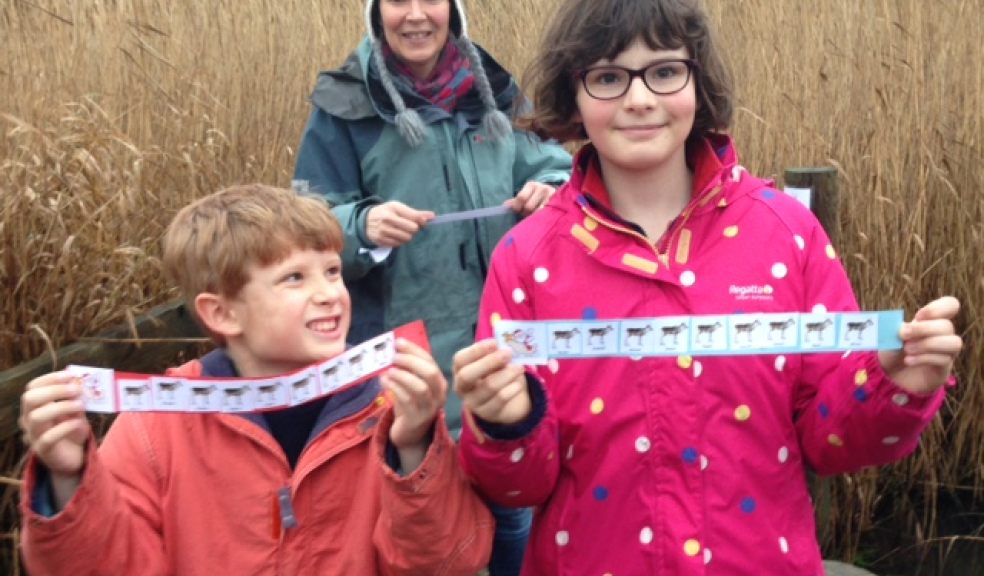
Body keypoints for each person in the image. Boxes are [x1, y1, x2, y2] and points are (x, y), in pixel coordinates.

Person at [450, 0, 964, 574]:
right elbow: (519, 487)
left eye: (665, 71)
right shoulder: (526, 258)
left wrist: (895, 383)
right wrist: (506, 422)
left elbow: (831, 442)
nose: (639, 98)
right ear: (573, 95)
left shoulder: (786, 233)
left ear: (699, 82)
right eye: (608, 78)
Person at [18, 184, 493, 575]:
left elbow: (452, 561)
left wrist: (413, 449)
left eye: (332, 271)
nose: (329, 293)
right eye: (294, 278)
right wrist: (68, 480)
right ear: (222, 313)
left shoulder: (388, 408)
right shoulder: (154, 428)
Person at [292, 1, 572, 573]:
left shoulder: (495, 90)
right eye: (398, 1)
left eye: (432, 0)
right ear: (376, 13)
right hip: (403, 376)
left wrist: (549, 188)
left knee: (514, 516)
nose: (416, 15)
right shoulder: (344, 105)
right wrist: (361, 226)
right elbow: (302, 234)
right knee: (427, 535)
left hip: (502, 356)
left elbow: (556, 168)